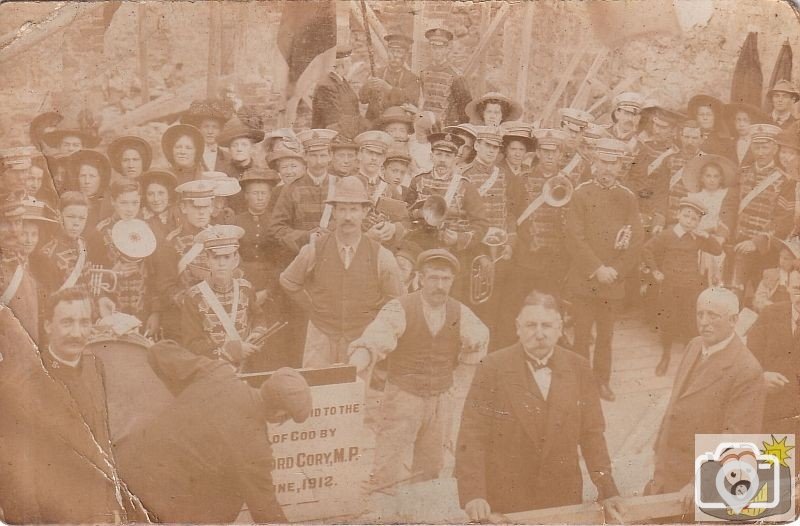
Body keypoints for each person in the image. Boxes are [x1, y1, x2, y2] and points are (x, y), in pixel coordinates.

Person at [454, 291, 624, 520]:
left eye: (547, 325)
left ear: (560, 328)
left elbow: (592, 434)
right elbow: (472, 434)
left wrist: (607, 489)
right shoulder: (493, 367)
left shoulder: (579, 367)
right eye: (531, 325)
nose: (540, 334)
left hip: (561, 497)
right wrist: (474, 494)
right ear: (518, 327)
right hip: (506, 499)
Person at [115, 340, 311, 523]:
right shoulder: (255, 448)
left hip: (126, 475)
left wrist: (181, 391)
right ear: (280, 413)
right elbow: (266, 511)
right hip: (162, 509)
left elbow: (160, 351)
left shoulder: (218, 373)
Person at [348, 249, 489, 492]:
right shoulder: (400, 307)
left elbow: (480, 338)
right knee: (386, 471)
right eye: (433, 278)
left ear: (453, 281)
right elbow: (377, 336)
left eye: (445, 279)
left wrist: (465, 362)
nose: (439, 286)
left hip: (441, 399)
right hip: (403, 396)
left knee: (430, 472)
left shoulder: (459, 311)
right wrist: (359, 359)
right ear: (421, 278)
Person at [0, 287, 137, 523]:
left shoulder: (94, 368)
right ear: (48, 326)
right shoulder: (27, 380)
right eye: (67, 322)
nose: (76, 332)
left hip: (99, 507)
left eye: (83, 322)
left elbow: (101, 440)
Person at [646, 287, 766, 509]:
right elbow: (676, 402)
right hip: (667, 471)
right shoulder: (694, 346)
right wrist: (658, 449)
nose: (704, 321)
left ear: (734, 320)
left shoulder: (746, 370)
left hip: (698, 486)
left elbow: (736, 439)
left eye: (713, 315)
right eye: (700, 314)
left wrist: (698, 482)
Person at [280, 176, 403, 368]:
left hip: (361, 340)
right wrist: (313, 306)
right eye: (342, 209)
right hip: (321, 337)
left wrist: (373, 325)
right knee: (318, 392)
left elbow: (396, 301)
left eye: (354, 209)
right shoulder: (315, 249)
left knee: (356, 394)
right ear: (334, 213)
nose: (348, 217)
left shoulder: (381, 256)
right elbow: (288, 281)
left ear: (365, 212)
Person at [564, 138, 644, 401]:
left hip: (613, 282)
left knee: (606, 337)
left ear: (620, 166)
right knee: (582, 335)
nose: (608, 169)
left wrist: (616, 272)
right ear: (594, 164)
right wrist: (597, 268)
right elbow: (574, 238)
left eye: (613, 163)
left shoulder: (627, 197)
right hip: (585, 279)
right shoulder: (580, 194)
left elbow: (635, 242)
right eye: (603, 162)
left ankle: (601, 381)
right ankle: (578, 384)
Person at [642, 197, 723, 376]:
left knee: (690, 322)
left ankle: (691, 360)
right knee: (667, 319)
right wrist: (655, 270)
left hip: (691, 286)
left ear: (698, 222)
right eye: (686, 216)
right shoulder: (667, 234)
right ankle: (665, 355)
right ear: (678, 215)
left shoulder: (697, 238)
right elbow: (647, 249)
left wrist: (707, 235)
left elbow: (717, 250)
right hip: (670, 285)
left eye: (694, 219)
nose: (689, 221)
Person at [405, 132, 489, 289]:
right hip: (421, 248)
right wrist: (418, 214)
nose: (442, 160)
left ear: (456, 159)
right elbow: (405, 214)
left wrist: (459, 238)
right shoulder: (418, 181)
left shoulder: (465, 186)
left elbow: (482, 223)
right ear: (432, 156)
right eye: (439, 154)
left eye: (448, 156)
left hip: (453, 252)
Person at [180, 224, 269, 367]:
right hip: (211, 367)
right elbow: (192, 343)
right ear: (207, 260)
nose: (221, 263)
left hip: (246, 365)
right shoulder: (193, 296)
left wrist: (257, 334)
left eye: (226, 257)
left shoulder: (245, 288)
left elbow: (258, 317)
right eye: (216, 258)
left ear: (235, 259)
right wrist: (229, 350)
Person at [154, 179, 218, 340]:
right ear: (184, 208)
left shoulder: (220, 236)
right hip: (186, 319)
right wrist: (195, 305)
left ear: (212, 207)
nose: (201, 212)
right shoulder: (171, 243)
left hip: (220, 316)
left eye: (205, 206)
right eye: (195, 207)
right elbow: (166, 287)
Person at [729, 123, 787, 294]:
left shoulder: (784, 180)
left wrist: (757, 242)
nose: (760, 152)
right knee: (735, 292)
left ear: (775, 148)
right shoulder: (742, 173)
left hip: (766, 249)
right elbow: (730, 206)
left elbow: (783, 219)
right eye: (756, 147)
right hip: (738, 243)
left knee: (760, 297)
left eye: (765, 147)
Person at [747, 259, 800, 435]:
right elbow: (747, 359)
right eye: (797, 289)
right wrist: (760, 377)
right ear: (787, 287)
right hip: (770, 410)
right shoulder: (770, 315)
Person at [268, 128, 338, 253]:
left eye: (323, 155)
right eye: (313, 156)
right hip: (302, 256)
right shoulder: (291, 189)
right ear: (305, 156)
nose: (319, 162)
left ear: (330, 156)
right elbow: (277, 229)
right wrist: (306, 236)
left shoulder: (341, 185)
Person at [684, 154, 738, 286]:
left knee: (716, 261)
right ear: (701, 178)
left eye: (716, 176)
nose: (712, 180)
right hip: (696, 236)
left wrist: (718, 236)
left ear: (721, 178)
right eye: (708, 176)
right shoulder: (694, 196)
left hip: (716, 238)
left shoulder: (725, 194)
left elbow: (728, 217)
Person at [359, 34, 421, 122]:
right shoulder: (377, 73)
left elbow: (411, 100)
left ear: (406, 56)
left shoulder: (412, 79)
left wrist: (388, 88)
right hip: (375, 123)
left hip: (399, 124)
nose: (394, 55)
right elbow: (363, 99)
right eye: (392, 51)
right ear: (387, 53)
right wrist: (368, 86)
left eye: (399, 52)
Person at [419, 27, 472, 127]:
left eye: (441, 48)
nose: (437, 52)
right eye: (434, 48)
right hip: (427, 125)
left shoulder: (456, 76)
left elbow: (464, 109)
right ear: (429, 49)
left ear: (447, 49)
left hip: (448, 127)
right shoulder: (424, 73)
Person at [312, 45, 364, 138]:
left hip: (346, 133)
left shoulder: (341, 81)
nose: (351, 65)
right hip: (330, 137)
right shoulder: (326, 86)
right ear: (344, 64)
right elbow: (333, 120)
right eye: (350, 62)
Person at [180, 98, 232, 172]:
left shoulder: (228, 158)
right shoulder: (190, 155)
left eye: (215, 127)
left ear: (220, 131)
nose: (210, 131)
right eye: (206, 126)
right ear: (199, 129)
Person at [68, 149, 112, 232]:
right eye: (83, 176)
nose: (87, 181)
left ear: (100, 179)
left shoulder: (109, 203)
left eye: (92, 176)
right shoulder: (69, 201)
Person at [752, 237, 800, 311]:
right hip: (771, 311)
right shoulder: (771, 274)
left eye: (786, 258)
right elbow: (759, 298)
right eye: (780, 257)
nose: (782, 261)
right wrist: (771, 306)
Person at [722, 102, 769, 166]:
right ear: (734, 122)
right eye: (738, 120)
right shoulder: (729, 144)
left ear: (752, 123)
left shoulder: (758, 144)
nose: (741, 124)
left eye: (746, 120)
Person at [139, 169, 180, 241]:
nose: (156, 199)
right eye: (150, 194)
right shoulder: (139, 216)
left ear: (169, 195)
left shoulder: (177, 216)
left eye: (161, 193)